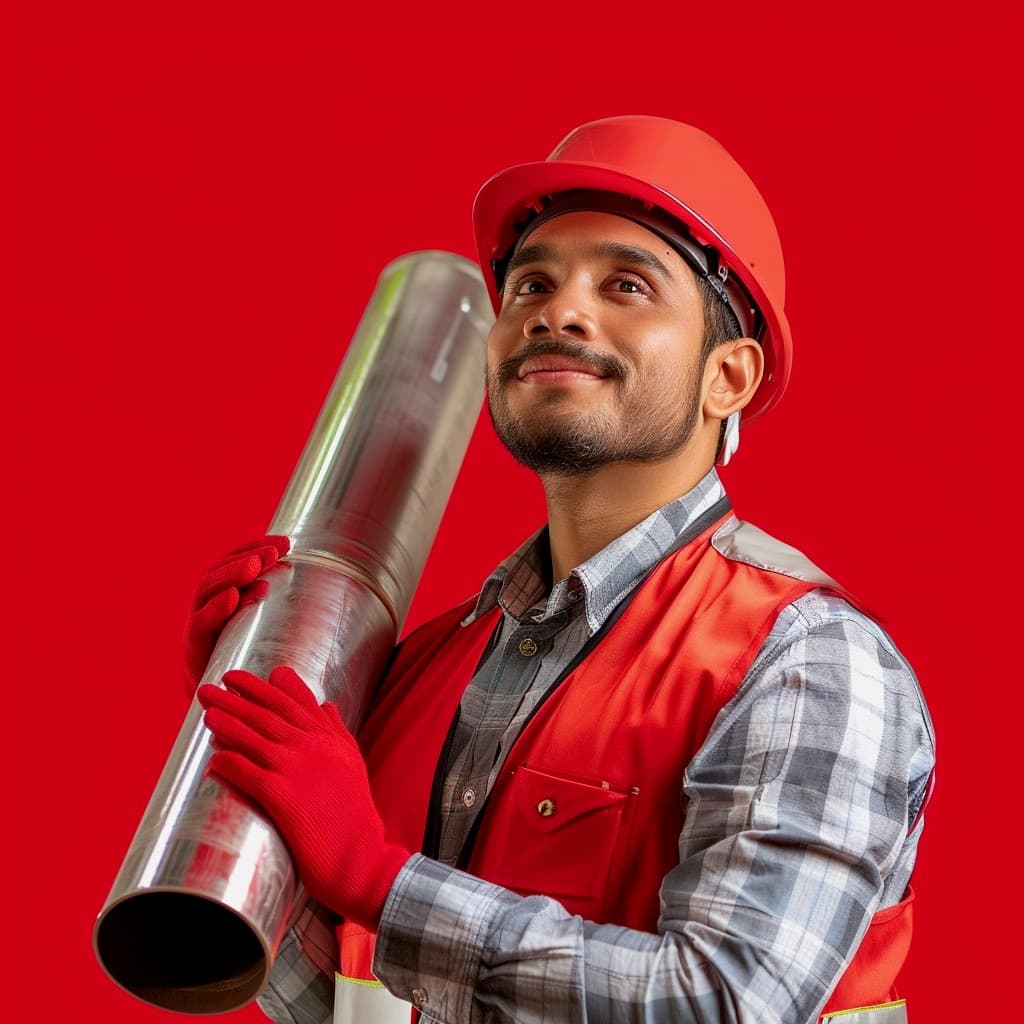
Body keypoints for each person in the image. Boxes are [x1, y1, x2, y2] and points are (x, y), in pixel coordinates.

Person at [188, 115, 934, 1024]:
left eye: (625, 284)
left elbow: (730, 1003)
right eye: (531, 282)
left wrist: (378, 879)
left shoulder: (803, 656)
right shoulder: (425, 667)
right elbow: (347, 1004)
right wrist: (247, 768)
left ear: (728, 377)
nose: (557, 309)